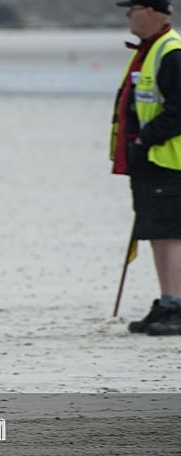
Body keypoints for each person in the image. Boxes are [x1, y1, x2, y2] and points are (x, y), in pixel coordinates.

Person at [112, 0, 181, 335]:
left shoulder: (170, 52)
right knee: (156, 233)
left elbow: (178, 110)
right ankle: (168, 300)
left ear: (152, 12)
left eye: (133, 8)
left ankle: (176, 304)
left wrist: (144, 139)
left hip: (167, 160)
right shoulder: (148, 50)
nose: (127, 15)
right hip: (151, 161)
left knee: (169, 234)